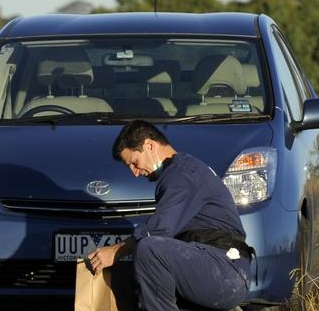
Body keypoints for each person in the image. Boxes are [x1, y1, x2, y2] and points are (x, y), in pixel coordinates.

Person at [88, 120, 251, 311]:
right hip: (217, 267)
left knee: (149, 249)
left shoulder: (182, 174)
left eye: (134, 162)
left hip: (225, 271)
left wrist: (116, 251)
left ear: (149, 146)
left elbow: (159, 230)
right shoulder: (182, 170)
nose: (135, 172)